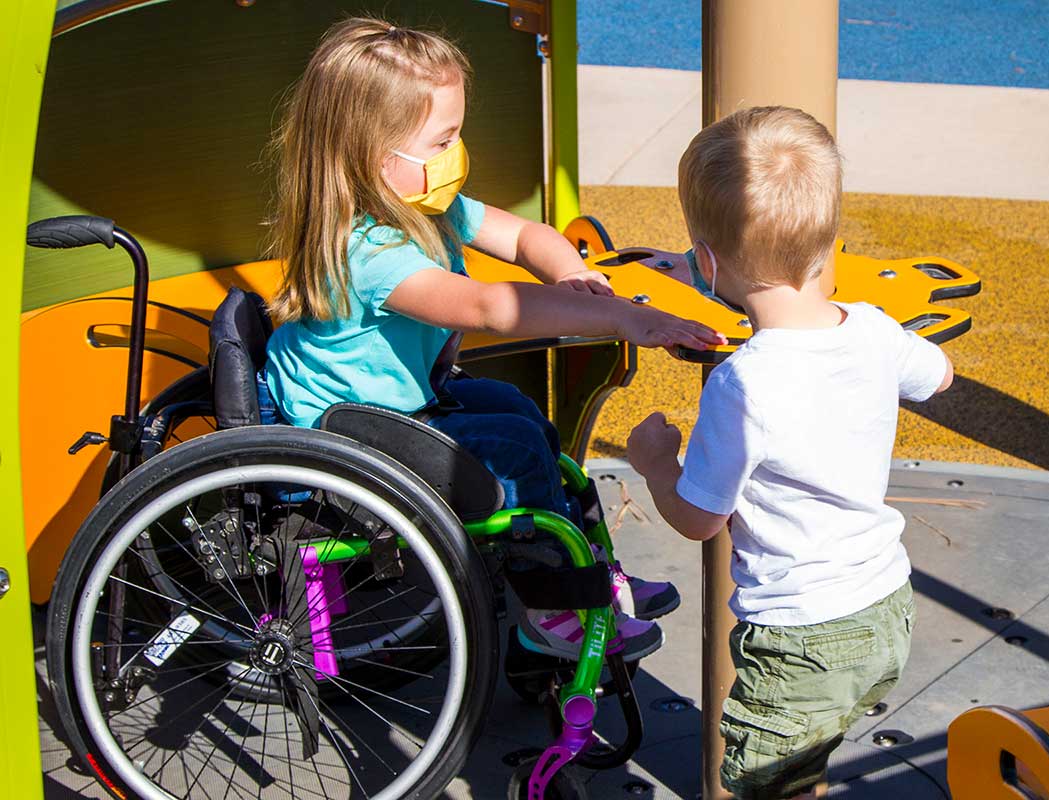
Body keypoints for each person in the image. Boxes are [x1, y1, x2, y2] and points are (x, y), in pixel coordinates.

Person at [263, 17, 717, 660]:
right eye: (441, 139)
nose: (456, 151)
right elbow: (486, 307)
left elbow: (525, 236)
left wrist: (570, 272)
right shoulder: (368, 249)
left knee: (525, 418)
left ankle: (585, 571)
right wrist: (620, 319)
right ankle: (551, 607)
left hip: (397, 402)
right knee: (515, 451)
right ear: (369, 153)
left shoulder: (429, 206)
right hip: (348, 427)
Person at [626, 106, 954, 799]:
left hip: (801, 636)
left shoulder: (745, 383)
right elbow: (938, 375)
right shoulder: (871, 328)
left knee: (771, 785)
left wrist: (655, 462)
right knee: (811, 757)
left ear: (708, 262)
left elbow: (699, 520)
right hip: (885, 606)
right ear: (830, 241)